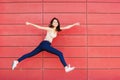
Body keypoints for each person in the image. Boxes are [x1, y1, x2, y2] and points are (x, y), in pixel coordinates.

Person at [12, 17, 80, 72]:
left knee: (30, 54)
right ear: (52, 23)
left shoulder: (57, 29)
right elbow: (40, 27)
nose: (55, 23)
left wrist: (75, 24)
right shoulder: (49, 29)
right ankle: (66, 67)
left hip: (44, 45)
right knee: (60, 53)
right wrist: (30, 23)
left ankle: (17, 61)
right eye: (54, 22)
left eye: (56, 22)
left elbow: (67, 27)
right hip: (45, 44)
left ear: (58, 23)